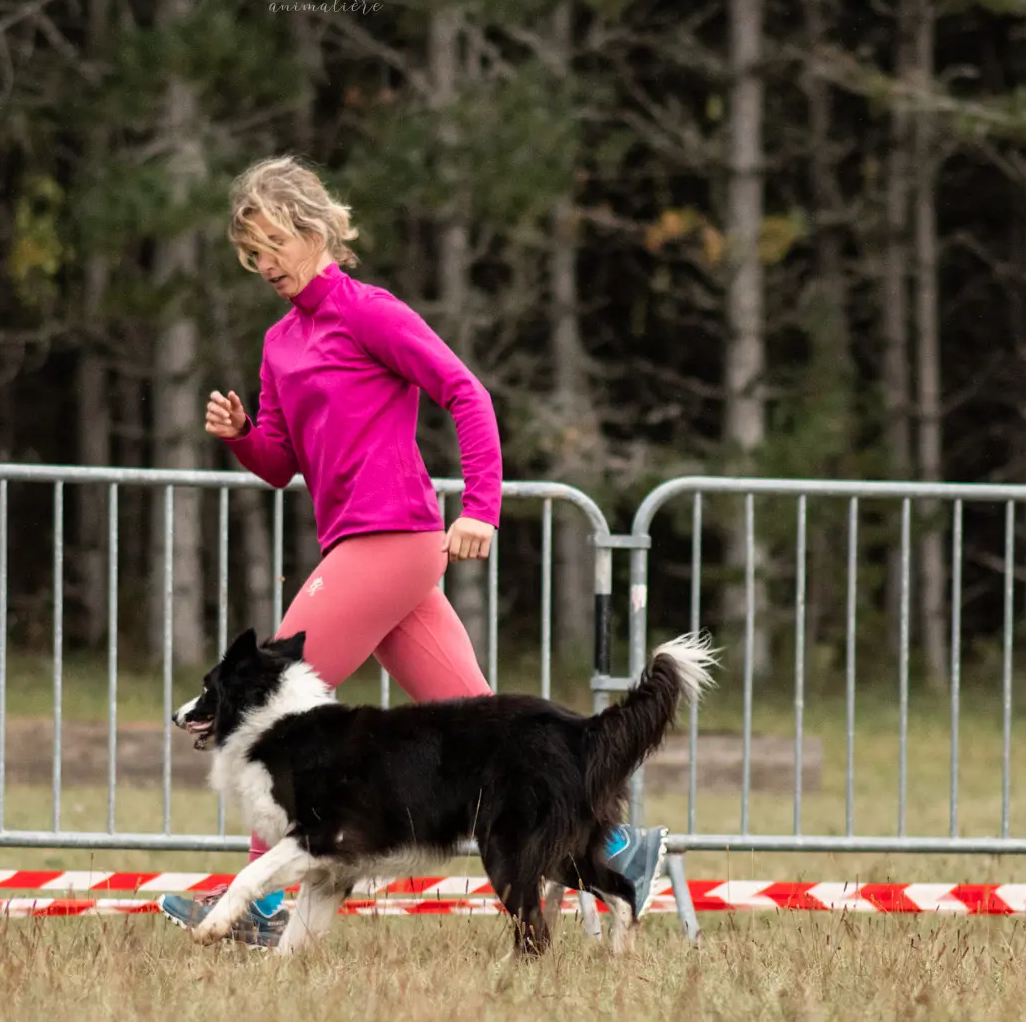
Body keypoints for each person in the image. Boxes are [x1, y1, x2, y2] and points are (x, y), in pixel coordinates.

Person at [158, 154, 667, 947]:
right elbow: (281, 462)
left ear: (314, 227)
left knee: (269, 702)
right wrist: (240, 438)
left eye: (271, 244)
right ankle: (616, 850)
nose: (263, 265)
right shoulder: (278, 344)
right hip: (359, 546)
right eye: (250, 255)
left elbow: (466, 392)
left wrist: (484, 508)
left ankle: (258, 908)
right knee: (492, 745)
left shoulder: (370, 312)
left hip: (392, 537)